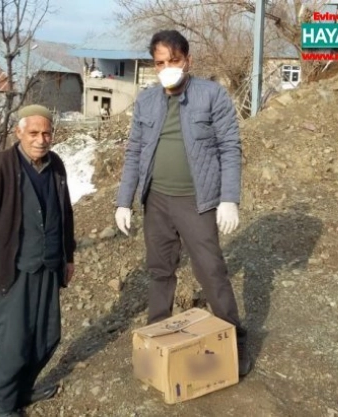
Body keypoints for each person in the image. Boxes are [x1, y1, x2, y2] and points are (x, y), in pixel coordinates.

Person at [114, 29, 252, 377]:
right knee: (160, 271)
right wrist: (123, 201)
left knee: (211, 271)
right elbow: (134, 152)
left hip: (196, 201)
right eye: (160, 63)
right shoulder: (146, 101)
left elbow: (229, 148)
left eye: (173, 60)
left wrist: (229, 199)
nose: (167, 68)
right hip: (156, 200)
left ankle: (233, 344)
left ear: (187, 61)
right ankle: (157, 341)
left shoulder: (211, 95)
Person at [0, 104, 76, 417]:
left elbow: (65, 212)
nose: (41, 140)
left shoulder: (56, 165)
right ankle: (5, 407)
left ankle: (23, 390)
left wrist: (68, 256)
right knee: (11, 343)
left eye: (46, 133)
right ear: (19, 132)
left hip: (48, 266)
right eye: (34, 133)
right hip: (11, 271)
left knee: (46, 336)